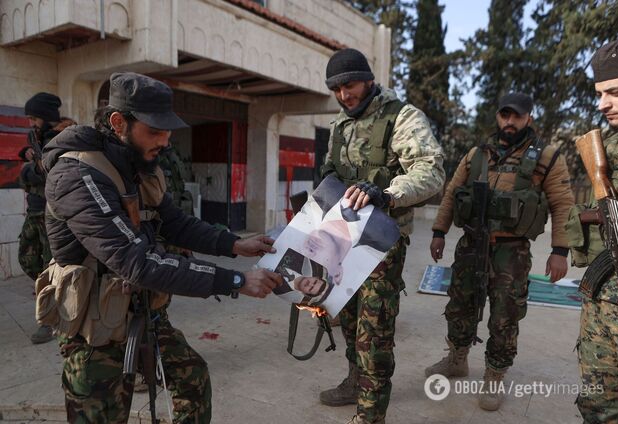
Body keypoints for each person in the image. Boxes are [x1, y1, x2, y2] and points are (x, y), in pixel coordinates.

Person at [40, 72, 283, 423]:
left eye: (167, 131)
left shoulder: (138, 167)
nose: (165, 142)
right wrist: (236, 282)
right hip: (95, 333)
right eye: (154, 131)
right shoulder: (77, 176)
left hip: (143, 313)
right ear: (118, 122)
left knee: (192, 380)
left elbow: (174, 222)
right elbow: (136, 261)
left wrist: (235, 244)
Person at [318, 48, 445, 424]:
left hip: (381, 242)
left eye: (350, 85)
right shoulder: (340, 124)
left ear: (369, 79)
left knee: (373, 331)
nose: (344, 95)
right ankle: (355, 381)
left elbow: (431, 170)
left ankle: (371, 414)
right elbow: (330, 173)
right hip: (343, 238)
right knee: (348, 319)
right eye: (336, 89)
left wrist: (388, 194)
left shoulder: (401, 117)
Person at [426, 92, 575, 411]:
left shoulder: (547, 156)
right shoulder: (477, 154)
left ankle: (494, 376)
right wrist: (439, 232)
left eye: (517, 116)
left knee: (505, 315)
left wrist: (560, 250)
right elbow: (451, 193)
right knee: (460, 305)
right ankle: (457, 359)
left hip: (513, 251)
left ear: (528, 119)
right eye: (505, 115)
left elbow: (563, 204)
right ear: (497, 117)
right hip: (470, 245)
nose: (510, 121)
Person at [569, 38, 618, 423]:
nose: (602, 104)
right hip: (600, 305)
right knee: (598, 407)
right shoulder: (605, 147)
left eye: (616, 92)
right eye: (599, 94)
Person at [18, 92, 74, 344]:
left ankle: (50, 320)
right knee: (27, 259)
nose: (31, 122)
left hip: (53, 213)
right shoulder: (39, 138)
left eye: (34, 117)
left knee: (51, 269)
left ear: (47, 116)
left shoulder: (62, 138)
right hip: (35, 209)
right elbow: (37, 170)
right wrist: (29, 158)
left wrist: (30, 169)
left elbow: (53, 173)